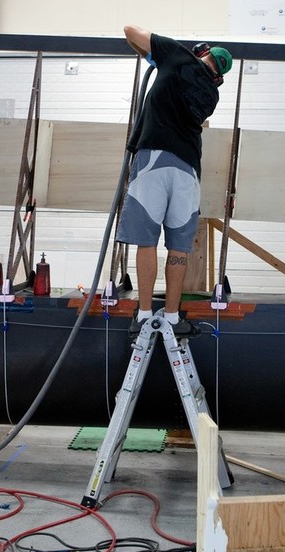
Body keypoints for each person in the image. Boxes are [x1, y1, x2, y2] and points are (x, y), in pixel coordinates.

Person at [116, 25, 232, 337]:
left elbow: (130, 31)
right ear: (218, 76)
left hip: (153, 159)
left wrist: (154, 54)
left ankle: (142, 315)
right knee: (179, 248)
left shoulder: (176, 54)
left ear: (200, 51)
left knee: (147, 241)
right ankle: (171, 316)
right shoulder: (213, 95)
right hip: (188, 169)